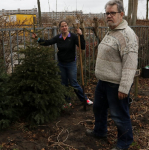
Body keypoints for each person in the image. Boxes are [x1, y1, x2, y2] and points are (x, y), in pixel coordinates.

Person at [85, 0, 139, 150]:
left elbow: (130, 64)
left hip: (116, 85)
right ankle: (100, 132)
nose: (109, 16)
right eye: (107, 13)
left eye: (112, 13)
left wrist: (124, 87)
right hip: (103, 82)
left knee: (120, 116)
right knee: (99, 109)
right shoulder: (112, 31)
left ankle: (124, 143)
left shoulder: (127, 35)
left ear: (121, 14)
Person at [32, 20, 93, 105]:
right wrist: (37, 39)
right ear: (60, 28)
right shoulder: (58, 38)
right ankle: (67, 101)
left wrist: (81, 35)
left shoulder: (73, 36)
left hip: (71, 63)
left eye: (65, 26)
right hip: (61, 64)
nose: (64, 27)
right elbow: (48, 42)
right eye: (62, 26)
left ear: (68, 27)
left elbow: (82, 47)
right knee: (63, 84)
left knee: (74, 83)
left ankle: (85, 99)